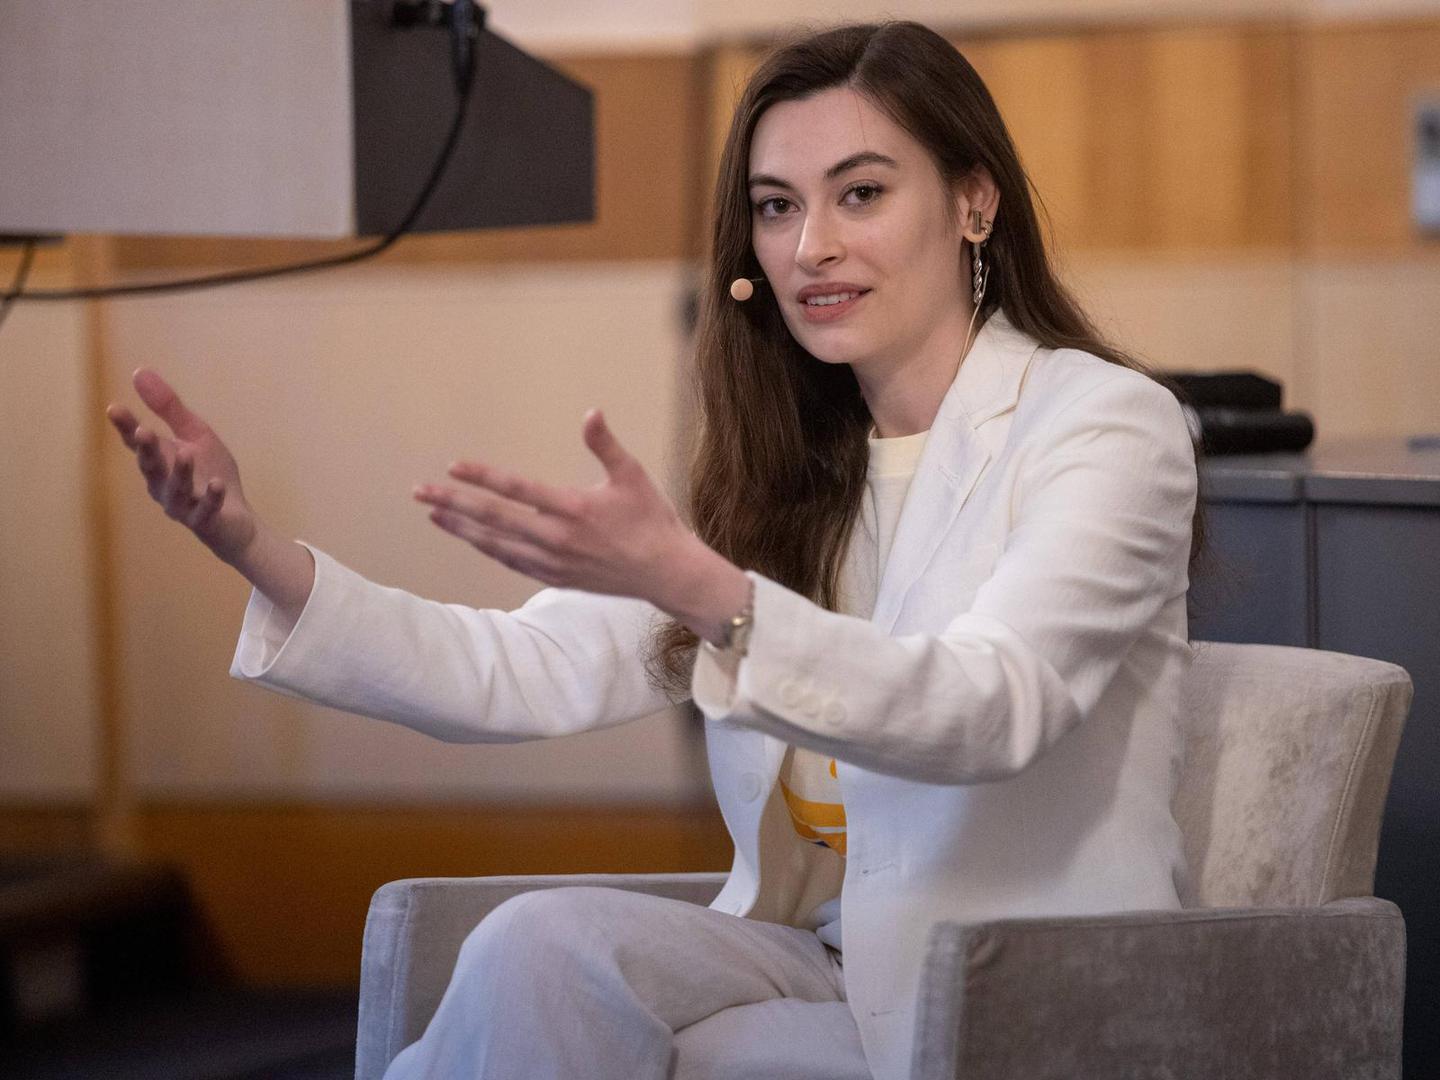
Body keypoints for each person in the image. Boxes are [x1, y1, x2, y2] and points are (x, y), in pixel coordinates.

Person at [106, 19, 1202, 1080]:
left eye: (861, 193)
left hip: (1017, 997)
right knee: (534, 947)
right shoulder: (792, 473)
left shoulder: (1106, 424)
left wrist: (705, 590)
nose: (811, 246)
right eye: (776, 206)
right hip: (821, 968)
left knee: (671, 1054)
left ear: (974, 201)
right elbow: (516, 668)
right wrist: (250, 545)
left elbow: (991, 707)